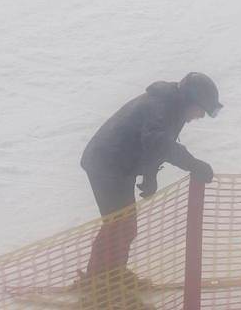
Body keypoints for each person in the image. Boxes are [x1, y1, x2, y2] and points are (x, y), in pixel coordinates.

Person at [80, 73, 220, 297]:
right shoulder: (162, 107)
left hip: (120, 165)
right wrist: (193, 164)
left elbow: (154, 146)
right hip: (106, 164)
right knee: (118, 225)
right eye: (201, 109)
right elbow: (159, 142)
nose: (201, 115)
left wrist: (150, 175)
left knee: (123, 225)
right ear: (190, 100)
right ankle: (98, 283)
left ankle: (112, 275)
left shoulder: (172, 106)